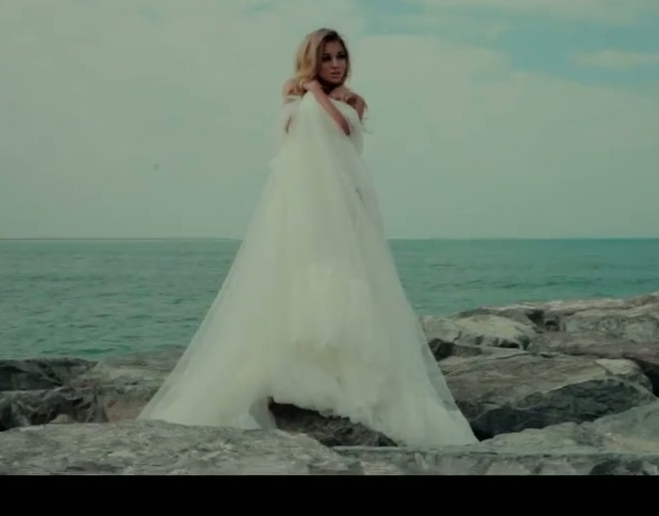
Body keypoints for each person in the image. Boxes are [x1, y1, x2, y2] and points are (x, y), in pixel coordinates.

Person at [136, 28, 478, 448]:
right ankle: (300, 365)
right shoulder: (292, 95)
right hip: (304, 201)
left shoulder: (352, 102)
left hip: (346, 201)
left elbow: (342, 132)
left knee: (344, 276)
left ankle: (345, 370)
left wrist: (317, 94)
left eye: (340, 56)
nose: (335, 64)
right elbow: (286, 144)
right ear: (312, 60)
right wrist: (305, 95)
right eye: (327, 57)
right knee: (302, 276)